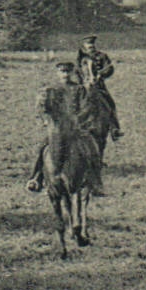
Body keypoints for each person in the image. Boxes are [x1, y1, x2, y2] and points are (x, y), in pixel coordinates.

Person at [26, 61, 104, 195]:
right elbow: (42, 108)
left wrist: (79, 120)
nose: (65, 74)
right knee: (42, 148)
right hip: (58, 128)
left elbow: (86, 107)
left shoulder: (79, 89)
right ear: (58, 73)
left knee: (92, 148)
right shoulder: (51, 90)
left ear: (72, 72)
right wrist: (46, 119)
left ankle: (96, 182)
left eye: (68, 71)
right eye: (62, 72)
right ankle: (36, 178)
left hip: (76, 128)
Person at [76, 34, 122, 140]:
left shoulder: (102, 56)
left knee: (110, 103)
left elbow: (109, 68)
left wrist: (101, 75)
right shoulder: (81, 57)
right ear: (84, 45)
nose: (90, 46)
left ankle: (114, 128)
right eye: (88, 44)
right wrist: (80, 82)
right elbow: (77, 70)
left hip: (98, 85)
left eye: (91, 43)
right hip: (83, 85)